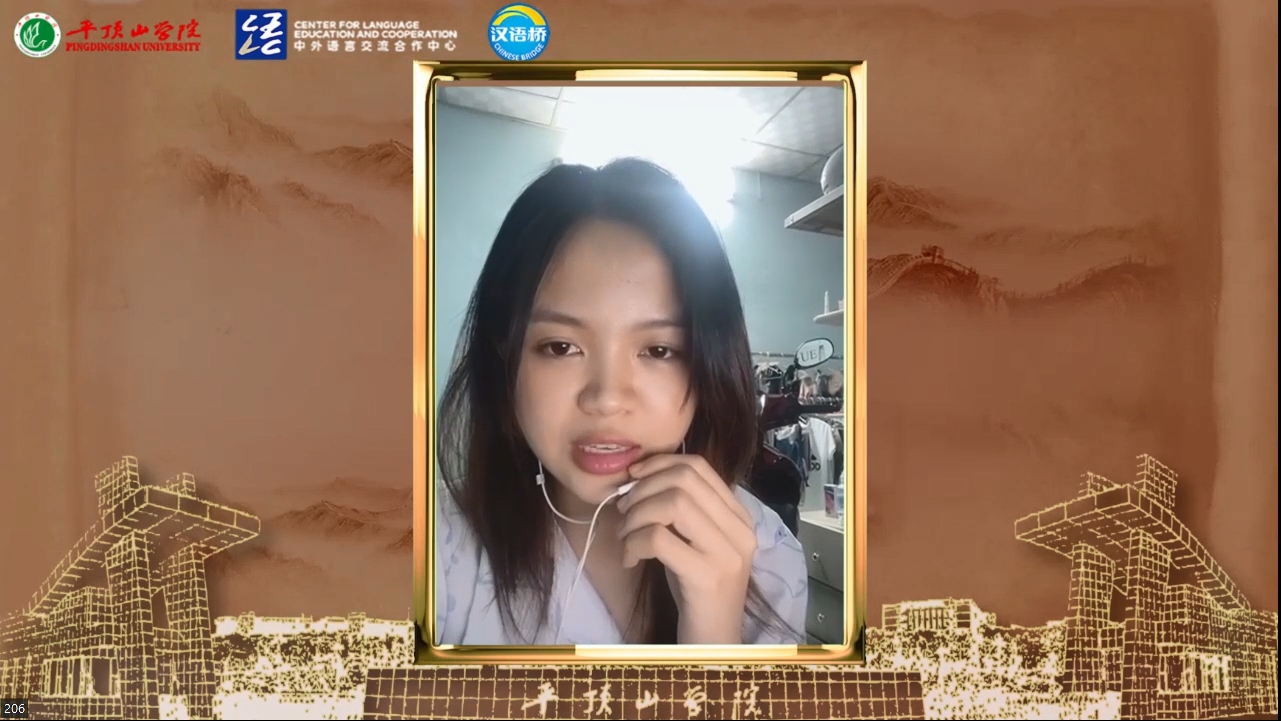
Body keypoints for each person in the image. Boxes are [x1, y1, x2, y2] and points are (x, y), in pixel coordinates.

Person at [435, 157, 808, 645]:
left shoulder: (768, 557)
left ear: (709, 364)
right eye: (560, 347)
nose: (607, 399)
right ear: (505, 355)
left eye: (659, 351)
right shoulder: (433, 552)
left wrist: (714, 634)